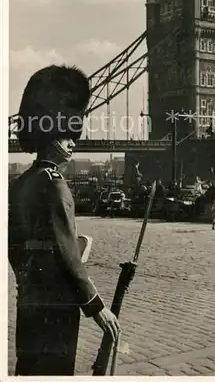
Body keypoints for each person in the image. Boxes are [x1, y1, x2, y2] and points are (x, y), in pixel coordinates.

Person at [8, 65, 120, 376]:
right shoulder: (55, 183)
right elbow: (68, 253)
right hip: (58, 306)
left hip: (28, 299)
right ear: (50, 135)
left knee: (29, 369)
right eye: (67, 135)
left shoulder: (19, 183)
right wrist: (96, 307)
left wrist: (30, 281)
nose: (72, 143)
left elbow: (12, 247)